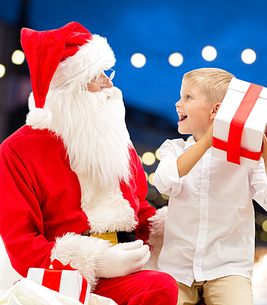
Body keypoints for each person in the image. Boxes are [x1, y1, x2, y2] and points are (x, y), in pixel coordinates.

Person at [0, 22, 178, 305]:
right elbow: (23, 246)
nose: (109, 84)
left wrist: (172, 225)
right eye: (97, 76)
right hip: (63, 281)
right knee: (161, 288)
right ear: (68, 87)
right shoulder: (17, 151)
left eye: (107, 74)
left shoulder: (116, 141)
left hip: (129, 269)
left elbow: (138, 207)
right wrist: (97, 262)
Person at [153, 68, 267, 305]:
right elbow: (164, 182)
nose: (178, 103)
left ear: (215, 111)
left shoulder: (246, 158)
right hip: (176, 268)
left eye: (188, 97)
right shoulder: (173, 149)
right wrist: (208, 141)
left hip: (228, 267)